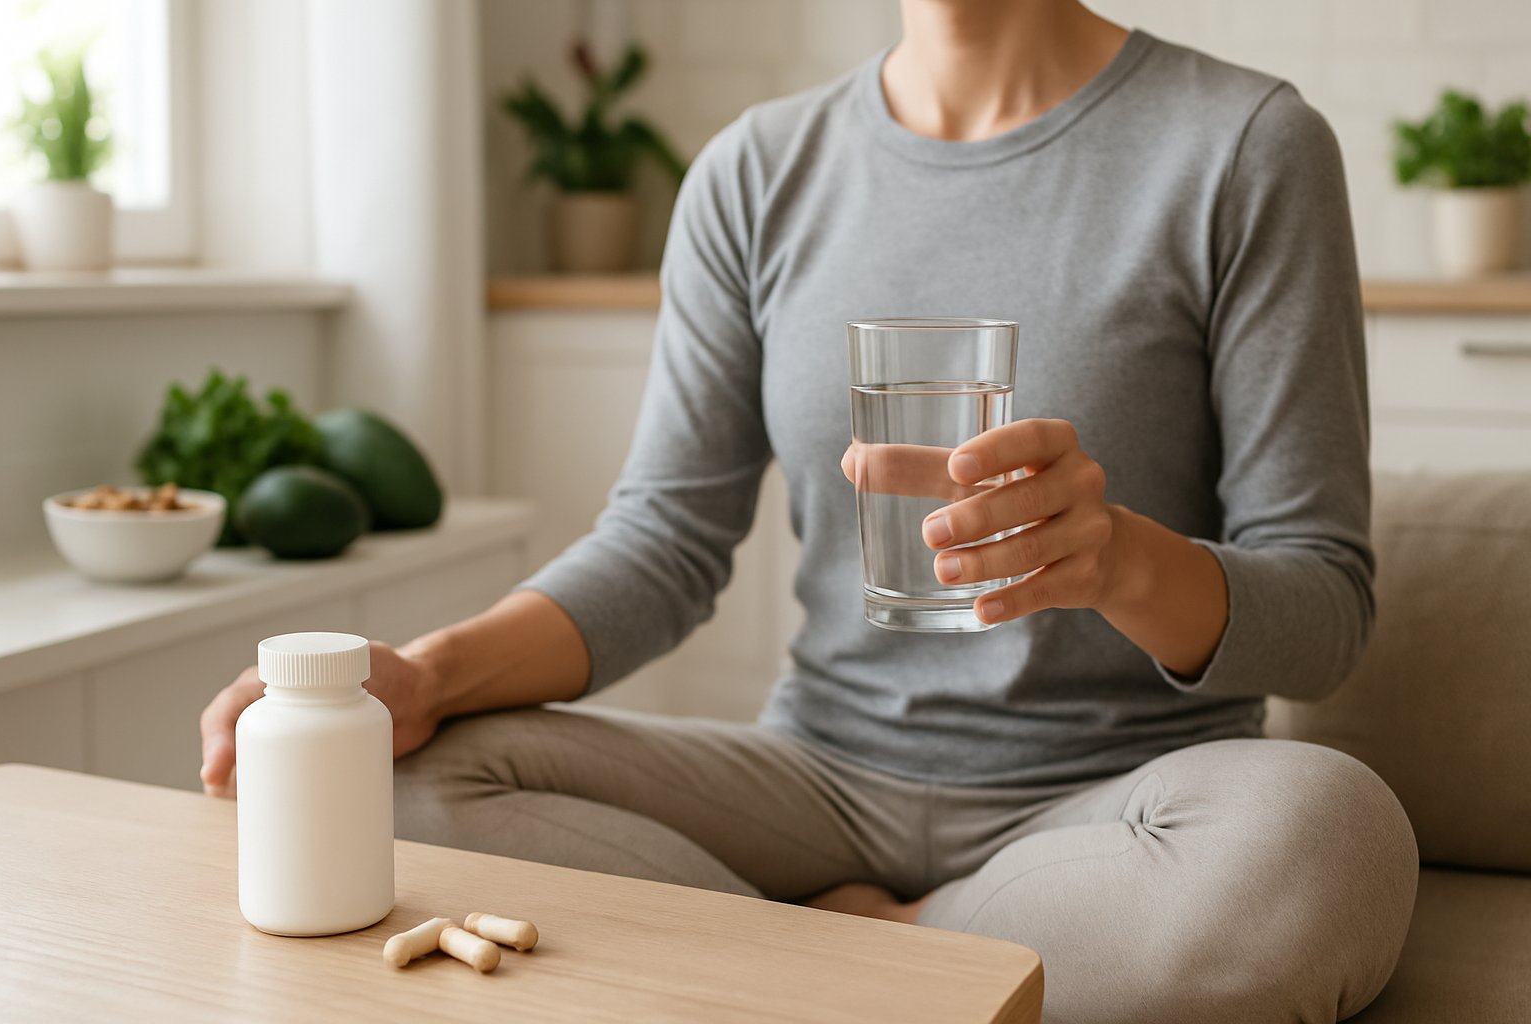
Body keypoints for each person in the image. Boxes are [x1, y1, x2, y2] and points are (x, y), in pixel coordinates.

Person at [200, 2, 1418, 1020]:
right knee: (398, 775)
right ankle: (934, 971)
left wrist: (1115, 560)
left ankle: (856, 952)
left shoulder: (1246, 144)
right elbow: (664, 543)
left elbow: (1322, 606)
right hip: (814, 785)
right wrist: (424, 672)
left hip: (1117, 805)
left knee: (1332, 838)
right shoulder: (756, 170)